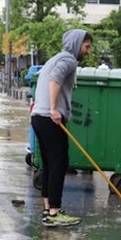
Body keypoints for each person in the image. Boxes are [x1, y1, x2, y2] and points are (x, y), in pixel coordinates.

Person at [31, 29, 93, 227]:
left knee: (49, 164)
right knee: (59, 163)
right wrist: (53, 109)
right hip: (50, 118)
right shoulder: (68, 61)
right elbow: (54, 81)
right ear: (77, 45)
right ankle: (55, 213)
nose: (88, 51)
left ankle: (49, 208)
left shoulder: (55, 58)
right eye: (87, 47)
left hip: (39, 118)